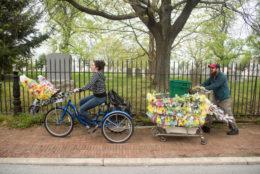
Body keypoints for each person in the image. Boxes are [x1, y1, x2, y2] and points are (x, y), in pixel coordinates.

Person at [200, 62, 239, 135]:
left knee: (228, 113)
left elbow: (215, 85)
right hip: (216, 97)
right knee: (210, 110)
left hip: (224, 98)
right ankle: (206, 127)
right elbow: (206, 83)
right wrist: (199, 87)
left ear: (217, 69)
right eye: (210, 68)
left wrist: (204, 88)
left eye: (212, 68)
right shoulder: (212, 76)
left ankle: (235, 128)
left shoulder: (222, 76)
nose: (211, 69)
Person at [74, 60, 107, 134]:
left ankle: (93, 124)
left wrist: (79, 89)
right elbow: (95, 86)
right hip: (98, 95)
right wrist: (84, 88)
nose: (91, 66)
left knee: (81, 110)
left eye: (92, 65)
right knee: (81, 101)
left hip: (100, 97)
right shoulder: (99, 74)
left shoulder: (96, 74)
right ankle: (87, 120)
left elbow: (89, 84)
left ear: (96, 67)